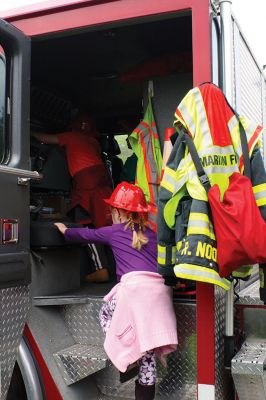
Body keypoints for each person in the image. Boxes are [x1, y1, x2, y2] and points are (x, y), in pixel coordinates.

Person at [54, 182, 178, 400]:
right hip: (160, 296)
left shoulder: (114, 231)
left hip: (136, 294)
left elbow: (85, 235)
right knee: (147, 355)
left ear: (119, 212)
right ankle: (136, 352)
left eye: (112, 210)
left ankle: (125, 347)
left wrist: (65, 231)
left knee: (105, 311)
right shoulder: (153, 234)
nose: (111, 214)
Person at [32, 111, 113, 282]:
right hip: (102, 185)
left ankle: (99, 269)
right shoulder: (93, 142)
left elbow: (46, 139)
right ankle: (111, 268)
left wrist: (27, 130)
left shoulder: (71, 136)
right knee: (104, 225)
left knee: (86, 226)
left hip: (85, 184)